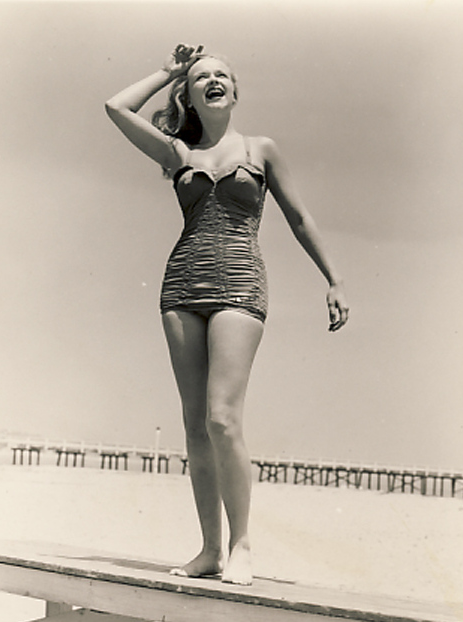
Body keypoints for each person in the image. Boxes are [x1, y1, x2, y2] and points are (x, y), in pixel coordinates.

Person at [105, 44, 349, 585]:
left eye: (221, 75)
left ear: (235, 92)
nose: (212, 80)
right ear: (189, 96)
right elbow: (116, 107)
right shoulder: (176, 152)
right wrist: (168, 71)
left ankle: (242, 545)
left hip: (240, 282)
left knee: (222, 418)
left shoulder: (261, 149)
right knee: (195, 424)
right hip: (181, 285)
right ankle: (210, 549)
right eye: (200, 77)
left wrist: (333, 279)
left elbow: (300, 218)